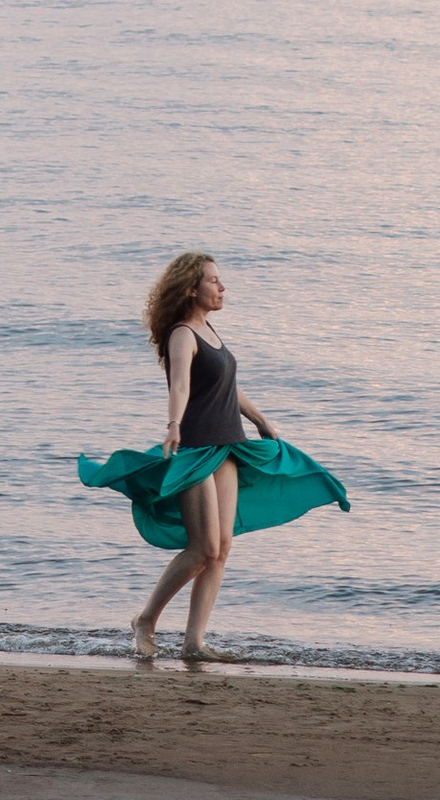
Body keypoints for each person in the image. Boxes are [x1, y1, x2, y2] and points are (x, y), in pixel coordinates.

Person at [76, 250, 349, 664]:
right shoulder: (183, 333)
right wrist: (173, 425)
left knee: (221, 549)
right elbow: (181, 386)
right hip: (197, 448)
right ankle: (145, 620)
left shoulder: (211, 331)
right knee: (202, 549)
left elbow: (225, 388)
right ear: (191, 289)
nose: (222, 287)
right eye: (214, 281)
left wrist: (261, 420)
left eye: (220, 280)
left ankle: (194, 642)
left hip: (228, 446)